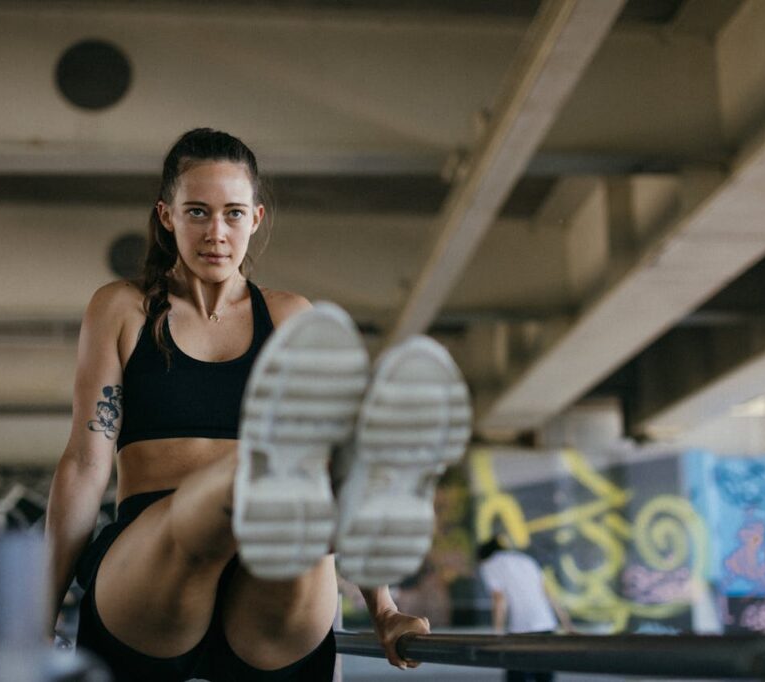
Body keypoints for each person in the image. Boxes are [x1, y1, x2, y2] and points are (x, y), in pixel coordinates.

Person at [46, 128, 472, 681]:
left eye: (233, 214)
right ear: (166, 216)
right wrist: (36, 618)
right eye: (197, 212)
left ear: (256, 218)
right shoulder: (121, 309)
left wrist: (385, 610)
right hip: (152, 560)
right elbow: (85, 464)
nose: (216, 232)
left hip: (269, 576)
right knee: (208, 515)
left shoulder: (291, 317)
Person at [476, 536, 573, 682]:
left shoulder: (490, 564)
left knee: (516, 676)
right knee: (544, 677)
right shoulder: (526, 560)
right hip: (547, 626)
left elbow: (499, 600)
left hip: (521, 631)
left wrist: (497, 633)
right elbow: (549, 594)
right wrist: (567, 625)